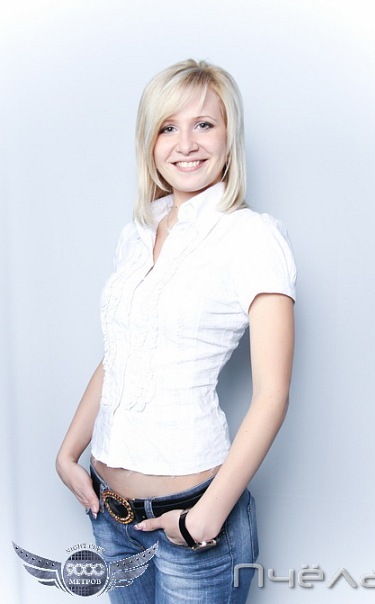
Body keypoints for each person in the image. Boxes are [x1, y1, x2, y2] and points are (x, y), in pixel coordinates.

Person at [56, 58, 296, 603]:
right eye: (168, 127)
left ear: (229, 137)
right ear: (150, 142)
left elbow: (272, 395)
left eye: (204, 124)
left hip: (192, 517)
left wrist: (204, 518)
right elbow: (119, 355)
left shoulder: (252, 237)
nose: (186, 143)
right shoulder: (137, 234)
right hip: (109, 513)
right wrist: (68, 454)